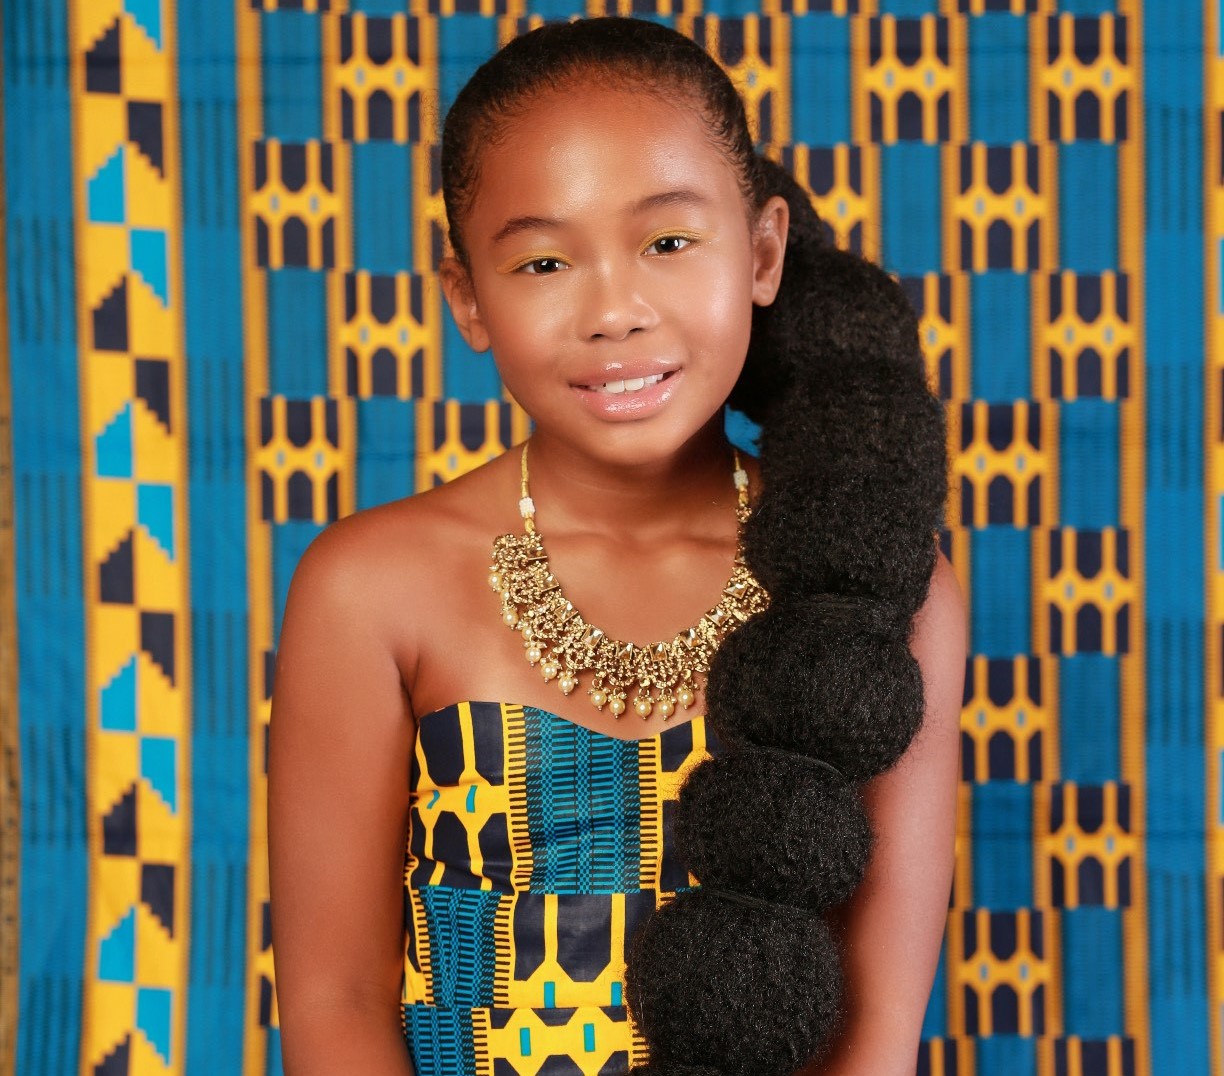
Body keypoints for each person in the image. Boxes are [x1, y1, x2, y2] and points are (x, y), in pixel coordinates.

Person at [267, 16, 967, 1076]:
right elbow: (335, 1001)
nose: (615, 311)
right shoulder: (370, 587)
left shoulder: (875, 589)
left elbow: (874, 1029)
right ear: (468, 299)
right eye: (545, 260)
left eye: (669, 242)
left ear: (764, 250)